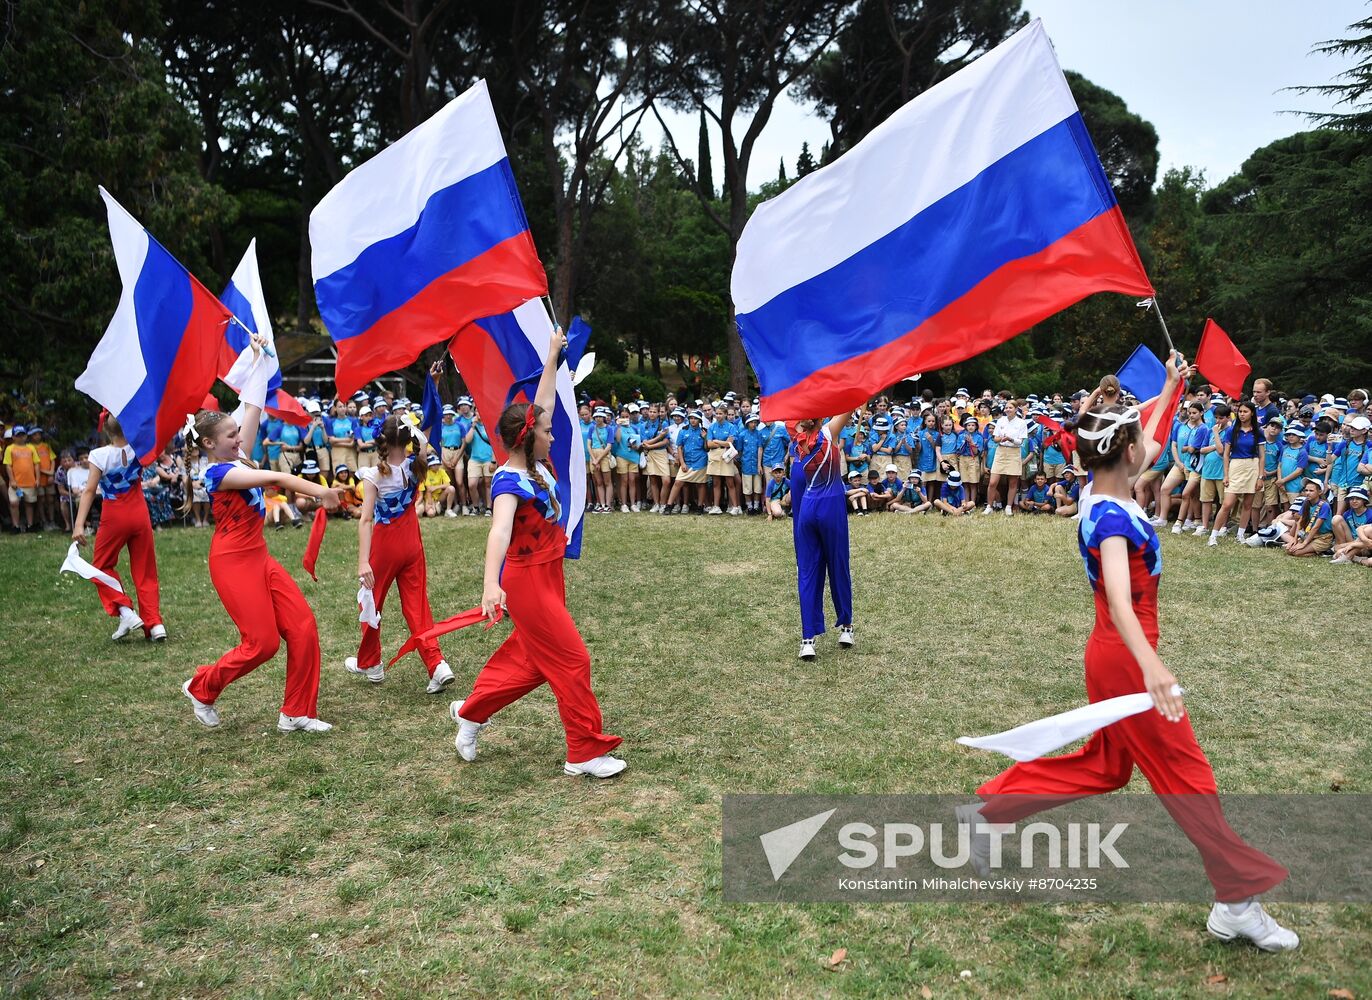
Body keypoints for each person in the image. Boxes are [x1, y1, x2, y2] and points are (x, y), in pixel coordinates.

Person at [960, 352, 1298, 953]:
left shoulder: (1104, 488)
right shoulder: (1112, 518)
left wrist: (1169, 387)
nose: (1152, 447)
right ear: (1127, 453)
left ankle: (989, 813)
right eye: (1142, 442)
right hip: (1126, 660)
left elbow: (1154, 437)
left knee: (1107, 767)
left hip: (1112, 655)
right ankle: (1236, 901)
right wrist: (1153, 667)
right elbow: (1119, 600)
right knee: (1187, 775)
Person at [449, 327, 625, 778]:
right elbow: (499, 531)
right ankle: (583, 751)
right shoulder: (509, 481)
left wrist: (551, 356)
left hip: (549, 573)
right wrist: (490, 585)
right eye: (546, 431)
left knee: (531, 663)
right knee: (573, 659)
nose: (553, 435)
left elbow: (542, 401)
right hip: (526, 582)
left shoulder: (537, 466)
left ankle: (470, 713)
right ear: (529, 438)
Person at [181, 342, 340, 732]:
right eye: (230, 436)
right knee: (262, 644)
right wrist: (321, 492)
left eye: (237, 433)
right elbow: (276, 477)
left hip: (259, 557)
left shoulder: (237, 455)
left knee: (303, 626)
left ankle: (297, 712)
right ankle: (202, 687)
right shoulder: (217, 473)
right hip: (232, 563)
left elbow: (252, 404)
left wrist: (258, 358)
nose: (238, 438)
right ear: (209, 444)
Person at [347, 416, 456, 693]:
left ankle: (371, 663)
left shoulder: (374, 475)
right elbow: (423, 441)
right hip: (412, 543)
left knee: (371, 601)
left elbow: (366, 520)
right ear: (408, 439)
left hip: (386, 544)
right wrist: (416, 431)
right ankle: (437, 664)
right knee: (417, 606)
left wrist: (363, 561)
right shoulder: (415, 465)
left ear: (380, 441)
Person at [71, 414, 165, 641]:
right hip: (140, 513)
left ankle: (125, 610)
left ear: (106, 429)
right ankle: (155, 624)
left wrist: (79, 524)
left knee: (101, 565)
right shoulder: (139, 448)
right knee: (145, 569)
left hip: (114, 516)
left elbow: (90, 490)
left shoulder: (99, 455)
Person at [790, 411, 856, 661]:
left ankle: (807, 640)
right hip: (830, 506)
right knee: (838, 565)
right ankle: (846, 627)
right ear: (820, 418)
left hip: (807, 507)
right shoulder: (827, 433)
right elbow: (849, 406)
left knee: (807, 573)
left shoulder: (798, 438)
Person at [1209, 400, 1264, 546]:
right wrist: (1226, 475)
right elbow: (1226, 455)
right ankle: (1213, 536)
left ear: (1252, 413)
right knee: (1227, 504)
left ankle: (1240, 534)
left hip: (1252, 466)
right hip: (1236, 466)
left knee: (1247, 504)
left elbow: (1262, 456)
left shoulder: (1258, 432)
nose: (1242, 414)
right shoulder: (1231, 431)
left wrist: (1260, 476)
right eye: (1240, 411)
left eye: (1245, 411)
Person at [985, 402, 1028, 516]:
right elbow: (995, 438)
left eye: (1010, 407)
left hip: (1014, 452)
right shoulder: (1000, 421)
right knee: (993, 482)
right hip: (1001, 451)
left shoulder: (1021, 423)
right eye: (1006, 408)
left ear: (1016, 409)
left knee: (1013, 482)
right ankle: (989, 506)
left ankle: (1009, 507)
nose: (1008, 409)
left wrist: (1010, 439)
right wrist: (1001, 439)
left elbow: (1020, 441)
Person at [662, 410, 708, 514]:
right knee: (678, 482)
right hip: (687, 461)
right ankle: (669, 506)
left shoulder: (704, 431)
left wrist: (705, 438)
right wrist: (682, 463)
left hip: (700, 461)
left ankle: (700, 506)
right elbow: (679, 447)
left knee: (701, 484)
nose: (693, 420)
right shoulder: (683, 431)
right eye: (691, 418)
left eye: (695, 418)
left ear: (700, 420)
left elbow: (706, 448)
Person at [1283, 479, 1335, 557]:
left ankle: (1321, 551)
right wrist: (1295, 539)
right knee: (1289, 550)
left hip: (1323, 537)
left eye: (1311, 491)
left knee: (1296, 552)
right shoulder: (1306, 502)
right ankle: (1317, 550)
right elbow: (1300, 521)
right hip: (1310, 535)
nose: (1307, 493)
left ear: (1319, 492)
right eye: (1306, 490)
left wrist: (1304, 544)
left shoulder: (1324, 505)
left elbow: (1316, 527)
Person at [4, 425, 39, 532]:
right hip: (16, 483)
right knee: (14, 503)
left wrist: (37, 479)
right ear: (13, 437)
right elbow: (8, 465)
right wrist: (12, 480)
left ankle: (30, 525)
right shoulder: (10, 448)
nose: (21, 437)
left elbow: (36, 464)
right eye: (18, 435)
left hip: (30, 482)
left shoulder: (31, 448)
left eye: (22, 435)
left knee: (29, 504)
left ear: (26, 436)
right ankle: (16, 526)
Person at [420, 453, 456, 517]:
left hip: (439, 496)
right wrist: (430, 504)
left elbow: (448, 484)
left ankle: (448, 510)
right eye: (434, 465)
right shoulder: (427, 473)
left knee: (451, 488)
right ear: (429, 466)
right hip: (429, 497)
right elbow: (429, 490)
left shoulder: (442, 471)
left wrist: (436, 487)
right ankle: (434, 507)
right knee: (431, 514)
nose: (436, 466)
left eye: (437, 464)